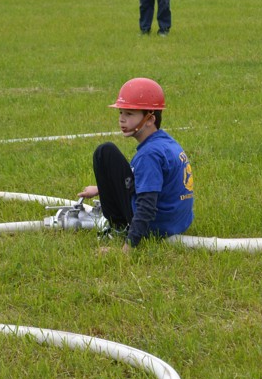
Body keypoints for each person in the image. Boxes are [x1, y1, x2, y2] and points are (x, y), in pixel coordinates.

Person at [78, 78, 194, 253]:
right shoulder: (165, 142)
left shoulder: (149, 154)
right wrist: (103, 188)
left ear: (149, 119)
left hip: (157, 226)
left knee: (105, 153)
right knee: (108, 153)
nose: (122, 120)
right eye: (121, 113)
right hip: (177, 222)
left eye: (129, 114)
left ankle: (118, 227)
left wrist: (126, 249)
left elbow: (147, 205)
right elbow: (145, 179)